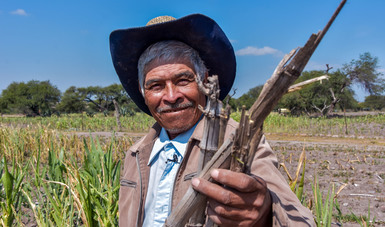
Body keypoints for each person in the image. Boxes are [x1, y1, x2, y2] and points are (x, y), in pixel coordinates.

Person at [110, 14, 315, 227]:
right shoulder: (137, 154)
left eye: (183, 80)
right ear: (143, 92)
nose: (171, 97)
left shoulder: (237, 143)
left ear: (205, 81)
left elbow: (299, 220)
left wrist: (264, 214)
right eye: (156, 86)